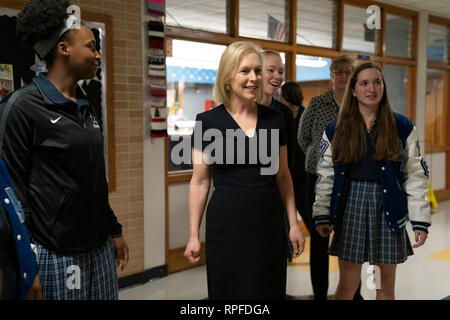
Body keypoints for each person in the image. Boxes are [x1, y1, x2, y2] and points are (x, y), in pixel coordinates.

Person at [0, 0, 128, 300]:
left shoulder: (85, 103)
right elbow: (12, 194)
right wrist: (25, 262)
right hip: (55, 254)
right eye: (91, 46)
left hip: (98, 249)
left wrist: (114, 231)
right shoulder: (23, 107)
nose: (98, 55)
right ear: (64, 49)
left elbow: (94, 179)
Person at [184, 41, 305, 300]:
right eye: (245, 71)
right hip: (225, 229)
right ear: (228, 77)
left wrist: (293, 224)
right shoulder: (207, 123)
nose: (254, 78)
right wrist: (194, 234)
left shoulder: (275, 119)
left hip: (269, 227)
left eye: (258, 71)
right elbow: (199, 182)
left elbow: (283, 176)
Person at [313, 62, 431, 300]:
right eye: (364, 83)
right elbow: (326, 175)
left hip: (387, 208)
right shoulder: (336, 128)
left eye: (377, 82)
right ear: (354, 90)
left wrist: (420, 219)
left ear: (383, 87)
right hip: (350, 208)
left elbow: (415, 175)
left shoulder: (402, 126)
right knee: (347, 285)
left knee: (384, 286)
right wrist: (322, 213)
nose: (372, 88)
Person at [297, 54, 362, 300]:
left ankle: (352, 292)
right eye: (338, 71)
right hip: (317, 178)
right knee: (319, 237)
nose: (343, 76)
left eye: (347, 71)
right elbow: (303, 139)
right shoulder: (316, 104)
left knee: (350, 237)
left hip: (351, 179)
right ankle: (321, 294)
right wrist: (321, 159)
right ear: (331, 75)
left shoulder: (360, 104)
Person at [279, 81, 308, 244]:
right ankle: (288, 250)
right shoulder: (280, 116)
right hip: (286, 171)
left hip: (303, 174)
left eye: (281, 97)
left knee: (307, 213)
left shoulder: (306, 115)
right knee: (284, 216)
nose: (280, 100)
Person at [259, 51, 295, 169]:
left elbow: (289, 160)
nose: (278, 76)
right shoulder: (243, 112)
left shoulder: (285, 114)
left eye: (281, 72)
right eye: (270, 70)